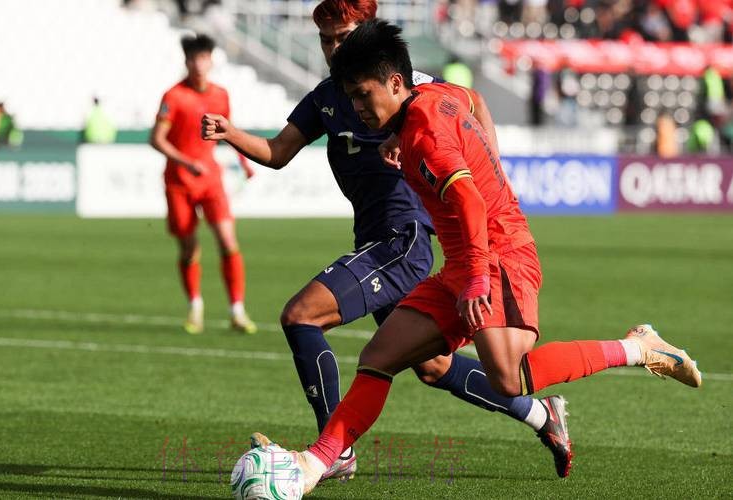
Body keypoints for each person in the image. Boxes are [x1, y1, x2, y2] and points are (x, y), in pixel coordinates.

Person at [253, 19, 702, 494]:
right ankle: (314, 465)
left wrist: (475, 280)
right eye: (351, 97)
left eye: (364, 95)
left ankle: (638, 347)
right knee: (378, 357)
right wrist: (414, 140)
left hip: (500, 255)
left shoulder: (424, 135)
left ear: (396, 83)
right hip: (466, 259)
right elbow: (469, 101)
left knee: (510, 378)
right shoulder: (434, 96)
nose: (358, 108)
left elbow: (468, 200)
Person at [203, 0, 573, 481]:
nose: (333, 48)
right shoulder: (327, 97)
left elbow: (473, 103)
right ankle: (543, 415)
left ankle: (333, 450)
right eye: (326, 40)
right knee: (434, 366)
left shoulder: (404, 85)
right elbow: (277, 152)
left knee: (301, 315)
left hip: (403, 239)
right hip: (373, 239)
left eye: (343, 37)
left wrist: (489, 173)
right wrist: (232, 133)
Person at [150, 33, 256, 335]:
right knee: (189, 248)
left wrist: (245, 161)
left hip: (211, 180)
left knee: (228, 241)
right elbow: (156, 139)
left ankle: (237, 311)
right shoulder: (174, 96)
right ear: (186, 62)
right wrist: (186, 162)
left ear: (211, 61)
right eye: (193, 59)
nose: (198, 64)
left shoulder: (220, 95)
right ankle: (195, 306)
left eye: (203, 58)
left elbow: (228, 132)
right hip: (179, 182)